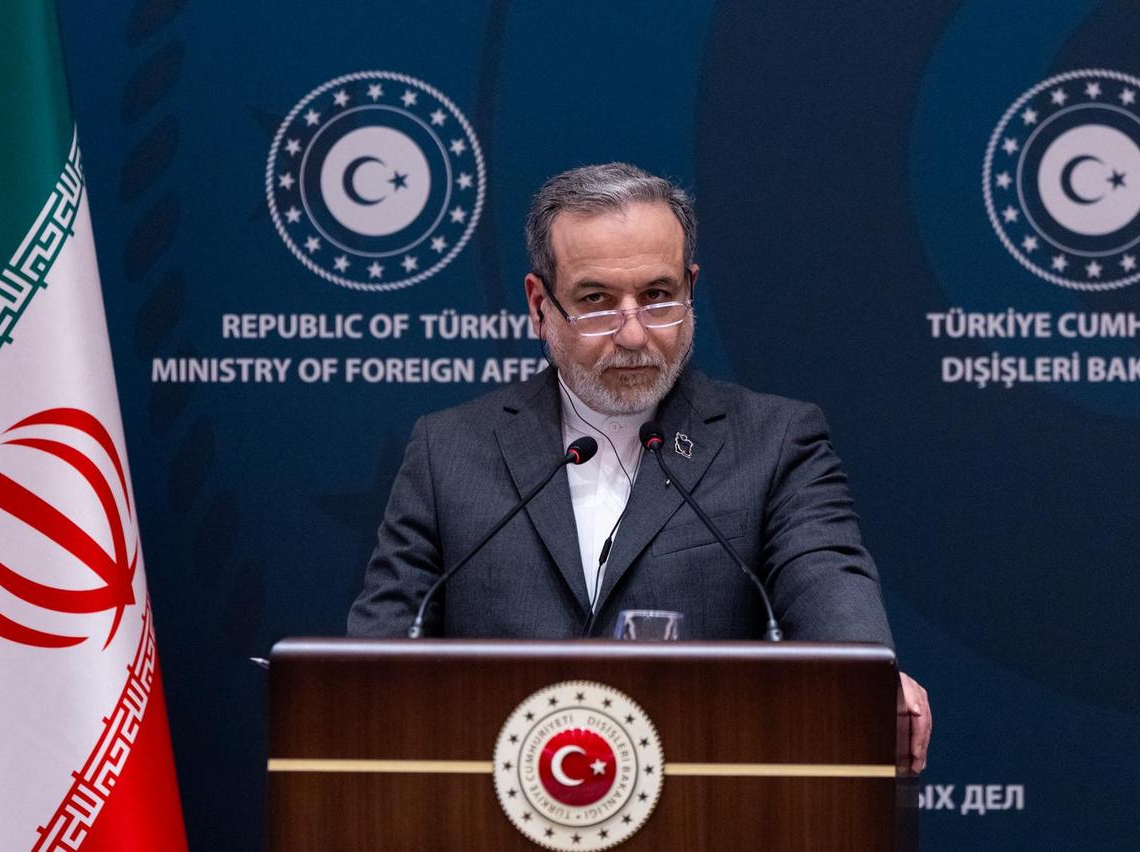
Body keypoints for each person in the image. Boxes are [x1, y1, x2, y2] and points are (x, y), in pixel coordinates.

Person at [347, 162, 931, 772]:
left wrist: (869, 677)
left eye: (657, 298)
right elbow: (377, 658)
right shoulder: (449, 451)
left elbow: (826, 582)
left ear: (690, 287)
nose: (632, 334)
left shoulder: (776, 443)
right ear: (539, 305)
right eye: (597, 301)